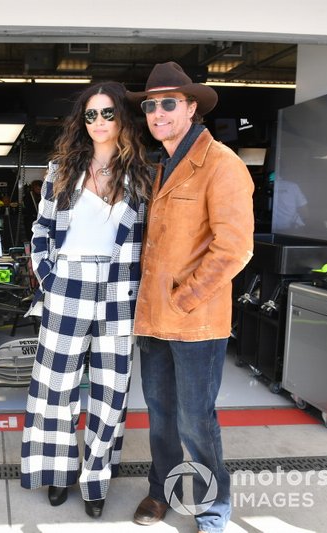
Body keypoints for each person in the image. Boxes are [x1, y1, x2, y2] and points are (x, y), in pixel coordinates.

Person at [127, 62, 254, 533]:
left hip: (195, 322)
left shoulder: (222, 164)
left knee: (196, 421)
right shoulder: (159, 166)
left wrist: (184, 298)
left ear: (191, 107)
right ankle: (161, 491)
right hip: (153, 319)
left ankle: (214, 505)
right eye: (149, 104)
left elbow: (234, 248)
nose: (156, 112)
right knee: (160, 417)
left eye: (168, 103)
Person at [20, 81, 153, 518]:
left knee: (111, 391)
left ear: (122, 120)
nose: (98, 122)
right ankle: (58, 473)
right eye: (91, 114)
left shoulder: (141, 175)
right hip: (68, 284)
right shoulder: (61, 169)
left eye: (108, 113)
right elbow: (40, 231)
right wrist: (48, 276)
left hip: (119, 290)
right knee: (55, 389)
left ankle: (95, 480)